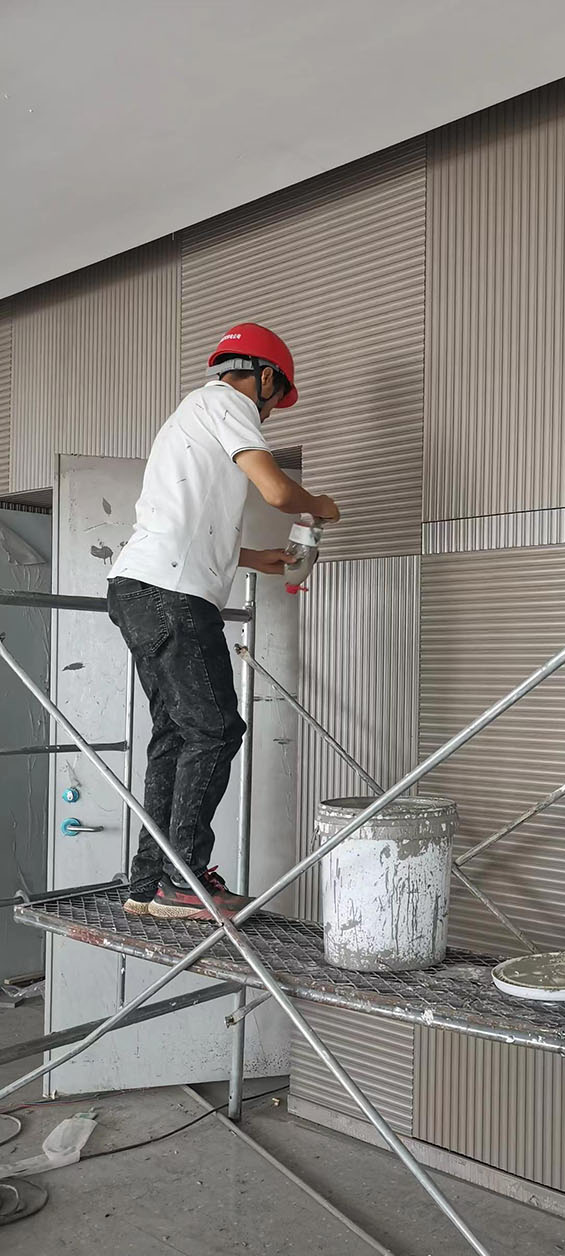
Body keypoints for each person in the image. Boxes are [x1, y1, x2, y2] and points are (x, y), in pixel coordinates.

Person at [106, 322, 339, 921]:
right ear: (265, 377)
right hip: (172, 595)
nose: (271, 410)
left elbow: (188, 526)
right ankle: (183, 879)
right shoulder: (227, 402)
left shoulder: (189, 417)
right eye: (275, 395)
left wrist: (256, 558)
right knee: (215, 729)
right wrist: (318, 505)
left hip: (137, 588)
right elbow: (277, 492)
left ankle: (149, 882)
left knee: (175, 736)